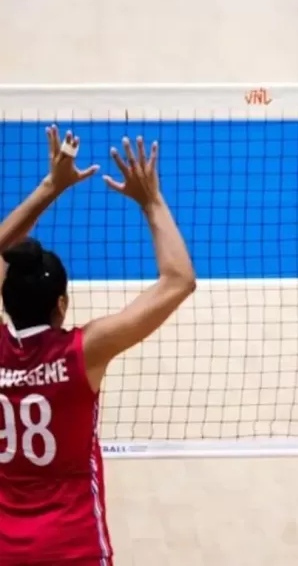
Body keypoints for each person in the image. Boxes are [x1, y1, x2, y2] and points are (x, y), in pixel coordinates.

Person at [0, 126, 196, 565]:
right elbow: (179, 280)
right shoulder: (83, 352)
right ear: (62, 304)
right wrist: (152, 201)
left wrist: (49, 187)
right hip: (75, 546)